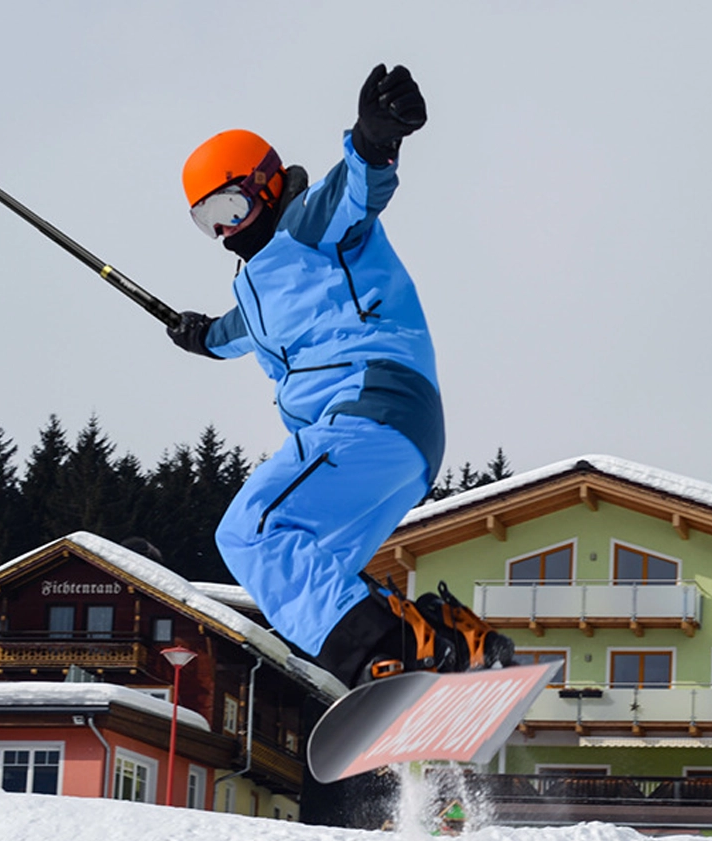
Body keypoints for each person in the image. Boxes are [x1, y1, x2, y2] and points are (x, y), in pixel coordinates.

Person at [167, 64, 512, 687]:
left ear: (266, 187)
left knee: (254, 530)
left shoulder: (306, 225)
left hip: (369, 408)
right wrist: (198, 337)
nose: (225, 230)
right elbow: (232, 333)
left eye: (231, 205)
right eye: (207, 220)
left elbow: (357, 186)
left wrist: (375, 139)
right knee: (310, 570)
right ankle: (447, 639)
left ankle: (376, 654)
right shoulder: (252, 290)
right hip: (394, 442)